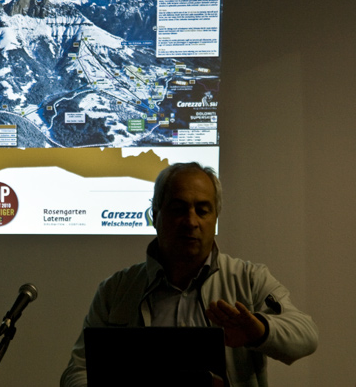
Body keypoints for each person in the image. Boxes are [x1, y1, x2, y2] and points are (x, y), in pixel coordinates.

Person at [60, 162, 318, 387]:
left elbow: (306, 335)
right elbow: (78, 370)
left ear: (215, 219)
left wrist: (259, 331)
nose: (191, 221)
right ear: (155, 215)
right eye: (178, 209)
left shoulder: (248, 279)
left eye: (202, 210)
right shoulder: (116, 290)